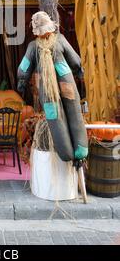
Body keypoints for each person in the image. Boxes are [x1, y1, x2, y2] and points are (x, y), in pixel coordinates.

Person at [17, 11, 88, 164]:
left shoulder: (33, 46)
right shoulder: (60, 40)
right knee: (74, 112)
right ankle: (81, 152)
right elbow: (75, 60)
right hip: (66, 82)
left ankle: (66, 153)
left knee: (55, 118)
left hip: (46, 90)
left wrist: (21, 83)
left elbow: (23, 69)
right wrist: (80, 73)